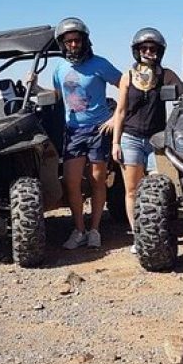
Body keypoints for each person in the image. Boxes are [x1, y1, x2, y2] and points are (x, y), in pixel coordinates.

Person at [111, 27, 183, 253]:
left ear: (159, 51)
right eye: (144, 48)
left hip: (156, 140)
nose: (148, 52)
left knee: (163, 187)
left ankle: (160, 232)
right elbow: (120, 111)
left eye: (153, 48)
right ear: (137, 51)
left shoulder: (165, 75)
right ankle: (139, 237)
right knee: (132, 190)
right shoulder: (127, 76)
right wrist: (115, 142)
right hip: (130, 138)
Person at [51, 18, 122, 250]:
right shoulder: (60, 68)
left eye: (77, 40)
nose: (73, 44)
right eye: (69, 41)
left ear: (84, 41)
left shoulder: (99, 64)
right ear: (63, 44)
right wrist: (33, 87)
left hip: (98, 130)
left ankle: (95, 230)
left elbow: (125, 85)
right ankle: (79, 229)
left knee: (97, 181)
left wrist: (115, 117)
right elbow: (56, 96)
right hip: (73, 131)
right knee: (71, 182)